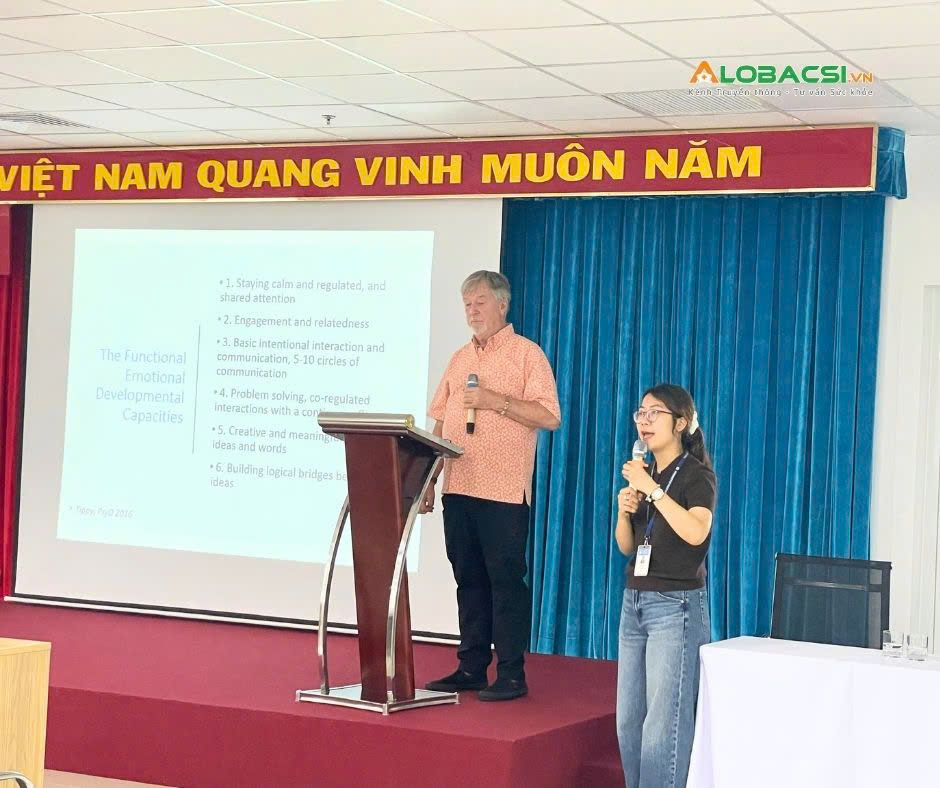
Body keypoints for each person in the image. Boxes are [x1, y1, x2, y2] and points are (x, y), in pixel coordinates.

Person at [421, 270, 561, 702]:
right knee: (468, 580)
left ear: (503, 304)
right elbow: (440, 422)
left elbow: (549, 416)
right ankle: (471, 667)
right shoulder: (459, 358)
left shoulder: (527, 355)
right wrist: (428, 479)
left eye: (480, 301)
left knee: (505, 583)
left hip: (502, 491)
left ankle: (512, 674)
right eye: (467, 303)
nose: (472, 310)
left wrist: (495, 401)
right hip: (459, 486)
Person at [615, 383, 716, 787]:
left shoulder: (696, 475)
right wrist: (624, 513)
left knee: (663, 725)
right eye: (641, 413)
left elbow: (696, 532)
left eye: (654, 412)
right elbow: (627, 546)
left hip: (676, 606)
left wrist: (653, 491)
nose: (645, 421)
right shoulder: (647, 475)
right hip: (635, 601)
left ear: (681, 423)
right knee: (628, 721)